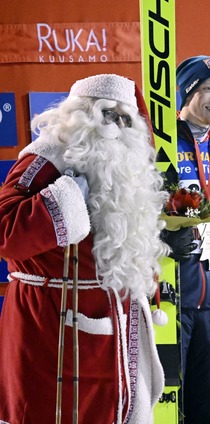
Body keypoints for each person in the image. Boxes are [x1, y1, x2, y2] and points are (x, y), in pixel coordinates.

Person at [0, 74, 167, 423]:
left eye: (126, 119)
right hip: (50, 324)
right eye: (108, 115)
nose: (117, 127)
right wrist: (66, 198)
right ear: (80, 115)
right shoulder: (46, 160)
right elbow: (6, 231)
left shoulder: (128, 166)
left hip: (114, 322)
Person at [160, 55, 210, 424]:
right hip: (170, 294)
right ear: (187, 91)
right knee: (166, 401)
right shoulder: (160, 143)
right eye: (208, 89)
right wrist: (162, 239)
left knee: (209, 405)